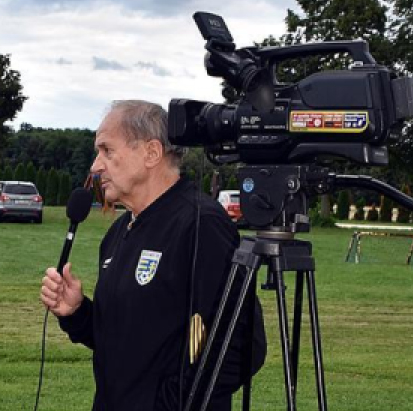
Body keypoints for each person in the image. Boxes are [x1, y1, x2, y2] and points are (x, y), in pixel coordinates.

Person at [40, 100, 266, 411]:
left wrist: (167, 403)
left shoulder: (201, 224)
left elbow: (240, 346)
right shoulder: (119, 231)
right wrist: (77, 312)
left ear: (151, 153)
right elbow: (129, 340)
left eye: (107, 150)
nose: (95, 166)